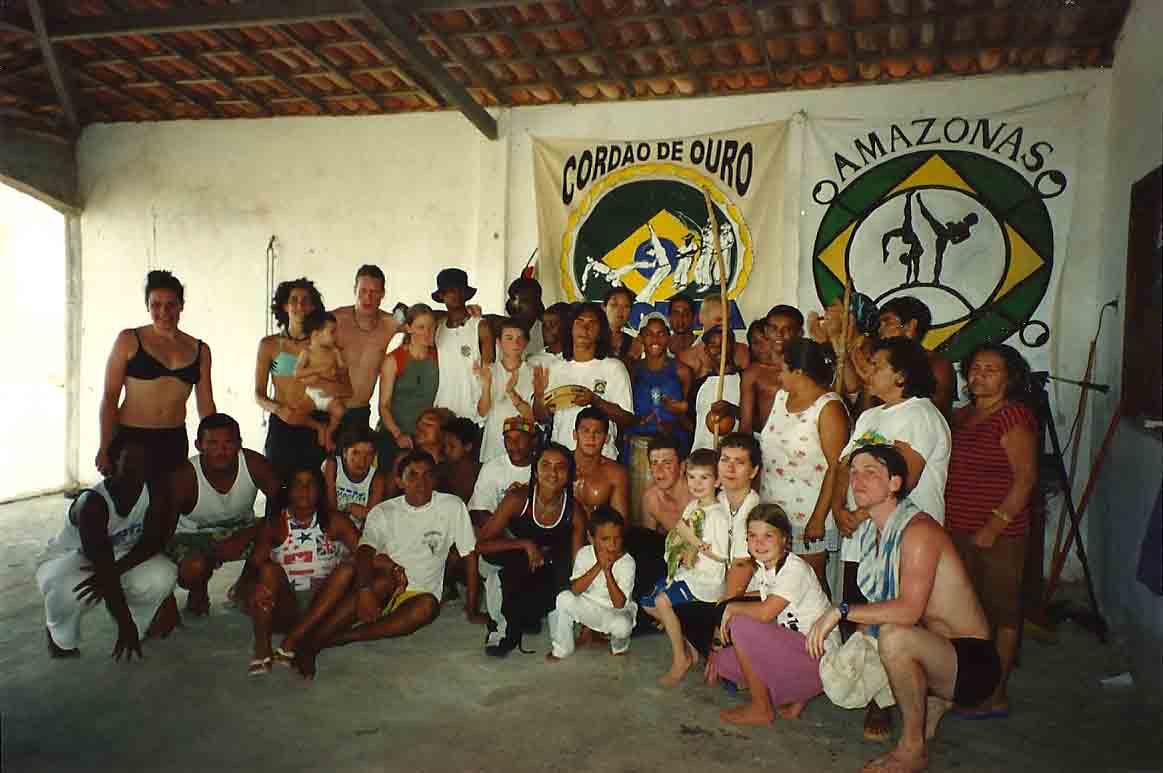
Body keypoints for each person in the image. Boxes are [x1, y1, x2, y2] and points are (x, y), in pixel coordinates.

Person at [807, 444, 997, 773]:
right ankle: (933, 705)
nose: (857, 480)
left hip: (973, 663)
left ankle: (912, 749)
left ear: (895, 483)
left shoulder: (918, 530)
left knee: (895, 637)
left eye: (871, 472)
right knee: (874, 640)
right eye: (853, 473)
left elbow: (907, 611)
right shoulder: (873, 531)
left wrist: (839, 611)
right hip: (937, 647)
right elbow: (880, 606)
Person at [832, 337, 950, 741]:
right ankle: (874, 694)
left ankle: (889, 705)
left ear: (901, 374)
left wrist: (859, 513)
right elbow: (845, 467)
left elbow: (905, 479)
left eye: (878, 364)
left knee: (894, 620)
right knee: (862, 613)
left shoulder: (919, 415)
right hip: (862, 536)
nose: (870, 370)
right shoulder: (870, 417)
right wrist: (839, 512)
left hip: (902, 539)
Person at [278, 450, 478, 679]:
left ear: (435, 478)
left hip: (417, 594)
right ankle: (312, 642)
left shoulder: (452, 507)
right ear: (399, 481)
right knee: (379, 580)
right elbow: (364, 552)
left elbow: (469, 554)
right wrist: (364, 590)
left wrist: (472, 608)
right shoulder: (384, 511)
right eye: (412, 475)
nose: (421, 482)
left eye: (427, 475)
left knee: (427, 607)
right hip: (382, 581)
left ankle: (328, 641)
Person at [944, 343, 1038, 719]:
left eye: (991, 370)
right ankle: (969, 685)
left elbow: (1026, 479)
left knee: (1002, 614)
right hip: (958, 529)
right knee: (967, 612)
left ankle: (995, 693)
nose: (979, 375)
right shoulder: (962, 416)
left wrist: (994, 526)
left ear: (1009, 377)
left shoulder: (1013, 417)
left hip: (1000, 534)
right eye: (975, 368)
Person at [37, 433, 178, 660]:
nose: (138, 465)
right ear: (113, 462)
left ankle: (140, 625)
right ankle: (61, 635)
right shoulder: (92, 503)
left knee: (163, 574)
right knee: (73, 589)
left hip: (117, 556)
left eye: (144, 459)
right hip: (71, 558)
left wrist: (114, 572)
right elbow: (102, 564)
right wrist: (124, 622)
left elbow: (153, 542)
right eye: (130, 459)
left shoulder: (155, 490)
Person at [714, 504, 840, 725]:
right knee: (723, 662)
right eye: (752, 536)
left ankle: (761, 708)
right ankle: (794, 694)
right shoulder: (766, 568)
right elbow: (767, 596)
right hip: (800, 652)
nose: (759, 543)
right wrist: (730, 601)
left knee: (741, 624)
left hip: (821, 659)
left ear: (784, 539)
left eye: (768, 536)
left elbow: (765, 613)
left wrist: (732, 607)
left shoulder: (795, 569)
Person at [238, 464, 359, 676]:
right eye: (298, 485)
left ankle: (292, 640)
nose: (304, 490)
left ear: (320, 490)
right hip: (287, 605)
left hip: (324, 603)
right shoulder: (275, 524)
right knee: (267, 570)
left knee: (348, 570)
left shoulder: (336, 521)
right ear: (288, 491)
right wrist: (249, 590)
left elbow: (364, 553)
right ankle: (262, 645)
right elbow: (253, 566)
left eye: (311, 484)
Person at [97, 270, 215, 480]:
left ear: (181, 305)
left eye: (171, 304)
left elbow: (206, 405)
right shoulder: (129, 340)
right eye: (156, 305)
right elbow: (110, 397)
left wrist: (214, 444)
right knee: (128, 507)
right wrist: (104, 446)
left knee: (169, 506)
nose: (163, 312)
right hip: (130, 439)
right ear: (147, 306)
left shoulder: (199, 350)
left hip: (174, 438)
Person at [477, 443, 586, 657]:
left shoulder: (574, 512)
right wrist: (525, 544)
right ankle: (501, 627)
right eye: (545, 465)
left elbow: (578, 563)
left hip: (543, 565)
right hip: (510, 561)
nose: (552, 473)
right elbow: (481, 545)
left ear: (569, 474)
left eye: (560, 467)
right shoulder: (517, 499)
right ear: (535, 470)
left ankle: (530, 612)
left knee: (558, 573)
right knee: (510, 566)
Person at [759, 339, 849, 595]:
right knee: (777, 580)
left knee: (811, 583)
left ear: (799, 372)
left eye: (783, 370)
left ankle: (824, 634)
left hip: (808, 512)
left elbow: (836, 467)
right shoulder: (780, 398)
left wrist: (818, 519)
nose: (779, 376)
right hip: (774, 510)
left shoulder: (829, 407)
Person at [167, 413, 281, 616]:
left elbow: (282, 505)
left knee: (278, 536)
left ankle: (244, 585)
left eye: (228, 443)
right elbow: (161, 531)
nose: (221, 451)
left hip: (243, 529)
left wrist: (246, 535)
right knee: (194, 567)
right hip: (192, 537)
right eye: (212, 443)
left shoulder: (254, 464)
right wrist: (164, 601)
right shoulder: (184, 476)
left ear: (239, 444)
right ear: (198, 445)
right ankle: (198, 589)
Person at [640, 449, 729, 686]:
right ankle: (691, 648)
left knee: (661, 601)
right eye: (691, 477)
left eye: (704, 477)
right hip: (688, 572)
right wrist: (678, 549)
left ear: (717, 481)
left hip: (706, 580)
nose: (697, 484)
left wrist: (694, 542)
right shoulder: (692, 507)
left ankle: (680, 659)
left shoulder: (718, 515)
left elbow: (721, 556)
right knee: (648, 602)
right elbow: (678, 534)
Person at [533, 303, 634, 460]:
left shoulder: (614, 368)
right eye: (580, 322)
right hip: (562, 458)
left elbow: (627, 419)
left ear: (600, 331)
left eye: (592, 323)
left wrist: (595, 400)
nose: (585, 328)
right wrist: (539, 396)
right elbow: (541, 418)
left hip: (602, 458)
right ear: (570, 328)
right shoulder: (555, 367)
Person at [468, 416, 538, 642]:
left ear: (534, 441)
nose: (513, 445)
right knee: (499, 566)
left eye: (520, 439)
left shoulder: (544, 466)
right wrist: (511, 538)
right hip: (500, 537)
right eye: (508, 439)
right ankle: (502, 621)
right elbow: (479, 513)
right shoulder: (493, 467)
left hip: (533, 538)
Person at [255, 277, 328, 481]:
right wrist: (279, 410)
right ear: (285, 306)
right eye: (294, 300)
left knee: (315, 485)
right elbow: (258, 394)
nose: (300, 305)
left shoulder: (323, 345)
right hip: (282, 423)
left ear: (313, 306)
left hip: (316, 423)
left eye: (306, 300)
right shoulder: (269, 345)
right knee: (278, 485)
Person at [547, 505, 637, 661]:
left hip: (615, 612)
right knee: (563, 598)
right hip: (589, 606)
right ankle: (563, 648)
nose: (612, 545)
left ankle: (619, 646)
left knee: (622, 626)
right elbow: (575, 590)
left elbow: (619, 604)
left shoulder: (627, 562)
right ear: (591, 538)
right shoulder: (584, 554)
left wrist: (607, 571)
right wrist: (598, 566)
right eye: (605, 539)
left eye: (617, 538)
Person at [859, 296, 956, 419]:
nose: (880, 329)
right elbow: (868, 415)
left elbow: (933, 416)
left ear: (910, 326)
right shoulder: (878, 362)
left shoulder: (938, 365)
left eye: (887, 322)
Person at [331, 265, 401, 434]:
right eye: (363, 291)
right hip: (328, 409)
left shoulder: (390, 323)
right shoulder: (335, 320)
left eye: (374, 292)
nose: (368, 297)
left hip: (360, 411)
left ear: (383, 294)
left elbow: (423, 319)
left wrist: (467, 312)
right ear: (355, 290)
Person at [630, 434, 693, 610]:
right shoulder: (651, 498)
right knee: (637, 540)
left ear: (682, 467)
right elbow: (648, 546)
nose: (658, 471)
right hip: (674, 561)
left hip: (701, 562)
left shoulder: (698, 495)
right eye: (654, 463)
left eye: (666, 463)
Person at [377, 303, 439, 464]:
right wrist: (398, 434)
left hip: (424, 437)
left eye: (431, 327)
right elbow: (383, 405)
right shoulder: (394, 359)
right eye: (421, 327)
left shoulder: (438, 357)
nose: (427, 333)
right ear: (408, 328)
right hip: (394, 433)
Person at [432, 268, 494, 423]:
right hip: (444, 412)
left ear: (466, 293)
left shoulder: (480, 326)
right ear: (441, 295)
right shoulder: (436, 328)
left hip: (474, 413)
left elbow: (490, 372)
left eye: (459, 289)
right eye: (449, 291)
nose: (455, 295)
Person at [628, 312, 693, 453]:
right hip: (638, 442)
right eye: (649, 334)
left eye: (661, 334)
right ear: (641, 338)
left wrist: (678, 410)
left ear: (669, 338)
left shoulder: (682, 371)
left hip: (673, 442)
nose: (655, 339)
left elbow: (688, 415)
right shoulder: (632, 370)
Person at [294, 310, 353, 452]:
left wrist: (337, 371)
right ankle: (318, 427)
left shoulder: (334, 351)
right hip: (312, 394)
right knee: (296, 413)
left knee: (340, 412)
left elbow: (343, 369)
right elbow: (297, 372)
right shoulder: (307, 352)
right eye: (332, 332)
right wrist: (318, 370)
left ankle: (329, 433)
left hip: (330, 396)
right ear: (315, 335)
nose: (336, 336)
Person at [477, 318, 535, 464]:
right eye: (509, 338)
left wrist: (511, 392)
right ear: (498, 342)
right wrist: (486, 385)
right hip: (493, 444)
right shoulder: (488, 371)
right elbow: (482, 413)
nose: (515, 343)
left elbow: (532, 417)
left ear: (526, 343)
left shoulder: (534, 372)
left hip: (523, 448)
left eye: (520, 338)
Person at [740, 305, 804, 434]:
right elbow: (746, 425)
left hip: (803, 444)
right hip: (768, 446)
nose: (779, 334)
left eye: (787, 329)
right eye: (774, 329)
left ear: (799, 333)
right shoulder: (754, 373)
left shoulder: (806, 369)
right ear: (766, 330)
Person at [689, 326, 742, 452]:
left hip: (732, 457)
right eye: (713, 345)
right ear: (706, 350)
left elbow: (754, 420)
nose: (719, 349)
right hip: (703, 457)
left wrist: (731, 410)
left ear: (733, 347)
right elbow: (690, 419)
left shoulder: (744, 380)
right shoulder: (699, 384)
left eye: (724, 344)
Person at [571, 406, 630, 519]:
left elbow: (620, 524)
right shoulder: (560, 464)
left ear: (606, 438)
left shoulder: (616, 474)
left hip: (597, 535)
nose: (591, 437)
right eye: (585, 431)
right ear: (575, 435)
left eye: (597, 432)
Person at [323, 424, 386, 529]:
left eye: (368, 454)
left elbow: (371, 520)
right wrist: (348, 508)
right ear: (344, 453)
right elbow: (330, 509)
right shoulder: (332, 466)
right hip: (330, 527)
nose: (362, 460)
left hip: (357, 533)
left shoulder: (377, 479)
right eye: (355, 453)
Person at [678, 295, 750, 375]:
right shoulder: (687, 358)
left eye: (727, 320)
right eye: (719, 320)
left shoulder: (742, 352)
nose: (724, 325)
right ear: (701, 318)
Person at [494, 276, 546, 356]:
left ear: (536, 303)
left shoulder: (545, 331)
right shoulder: (500, 328)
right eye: (514, 299)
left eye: (525, 301)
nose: (517, 305)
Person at [439, 416, 481, 503]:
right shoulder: (442, 471)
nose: (446, 451)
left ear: (468, 446)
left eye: (452, 446)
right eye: (444, 445)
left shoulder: (482, 473)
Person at [528, 301, 568, 368]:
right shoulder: (533, 361)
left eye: (552, 324)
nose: (547, 329)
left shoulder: (576, 359)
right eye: (544, 324)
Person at [603, 286, 638, 364]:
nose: (620, 310)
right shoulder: (592, 337)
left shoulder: (632, 342)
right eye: (614, 305)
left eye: (626, 306)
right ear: (604, 307)